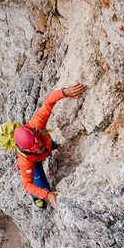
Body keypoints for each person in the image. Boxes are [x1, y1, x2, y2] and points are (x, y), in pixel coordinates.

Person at [13, 82, 87, 210]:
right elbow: (26, 183)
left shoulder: (37, 124)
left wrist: (65, 92)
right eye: (34, 148)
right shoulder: (24, 161)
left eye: (38, 143)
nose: (38, 147)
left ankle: (51, 147)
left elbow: (48, 102)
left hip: (48, 147)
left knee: (51, 146)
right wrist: (46, 194)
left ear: (36, 132)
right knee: (42, 188)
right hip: (34, 162)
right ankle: (36, 197)